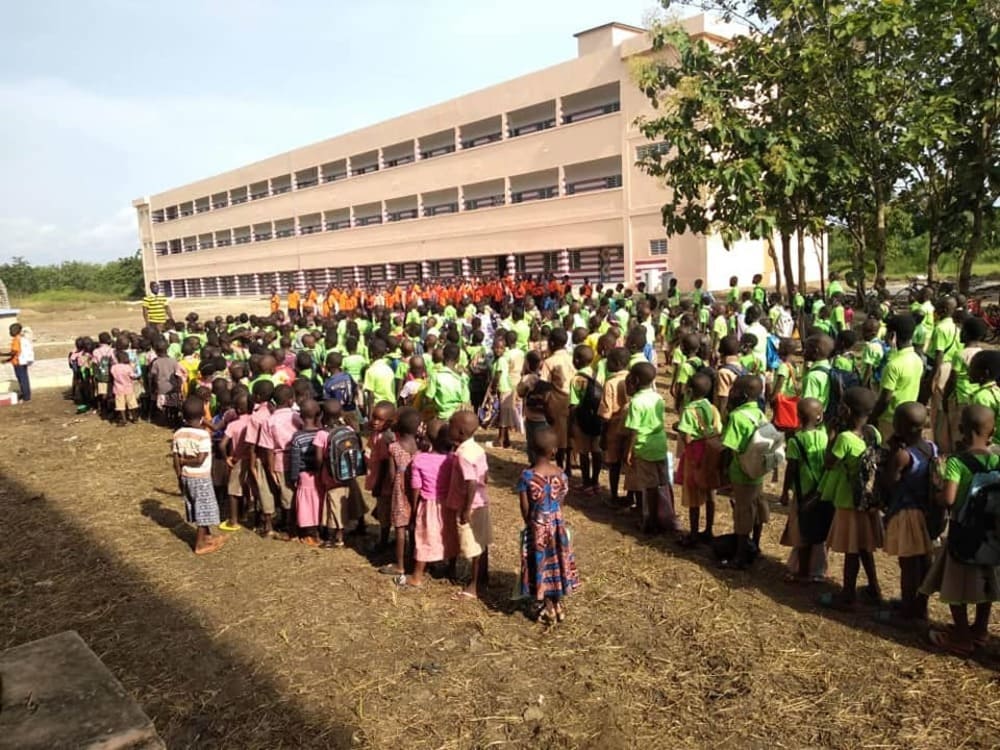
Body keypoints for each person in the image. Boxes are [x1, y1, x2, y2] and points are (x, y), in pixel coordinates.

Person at [921, 404, 998, 655]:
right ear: (993, 431)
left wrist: (937, 487)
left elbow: (949, 499)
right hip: (991, 536)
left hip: (962, 535)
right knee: (986, 581)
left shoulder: (956, 462)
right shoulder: (997, 459)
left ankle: (962, 637)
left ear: (961, 429)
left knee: (954, 586)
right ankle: (980, 630)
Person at [818, 387, 883, 611]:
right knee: (864, 547)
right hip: (868, 502)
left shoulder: (845, 438)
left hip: (848, 501)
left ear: (845, 409)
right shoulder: (873, 432)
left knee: (851, 551)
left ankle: (847, 595)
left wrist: (832, 435)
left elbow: (829, 463)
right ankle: (874, 588)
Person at [878, 402, 936, 626]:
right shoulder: (931, 447)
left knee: (908, 565)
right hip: (925, 513)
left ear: (901, 426)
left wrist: (891, 453)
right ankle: (919, 607)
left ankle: (906, 611)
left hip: (906, 513)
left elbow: (889, 482)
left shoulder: (903, 455)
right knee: (921, 563)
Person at [517, 427, 580, 624]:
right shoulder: (561, 475)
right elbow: (561, 502)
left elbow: (525, 508)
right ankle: (557, 602)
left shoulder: (527, 476)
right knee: (557, 561)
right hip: (557, 525)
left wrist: (532, 523)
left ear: (532, 450)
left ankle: (547, 605)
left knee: (540, 562)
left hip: (537, 527)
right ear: (554, 451)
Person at [398, 419, 455, 589]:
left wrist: (415, 508)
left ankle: (417, 576)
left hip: (429, 503)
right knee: (450, 535)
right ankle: (451, 568)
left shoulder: (419, 459)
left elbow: (416, 487)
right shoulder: (452, 459)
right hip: (449, 504)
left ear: (427, 438)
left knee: (424, 537)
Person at [719, 375, 768, 568]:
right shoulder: (760, 413)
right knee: (756, 508)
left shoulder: (737, 417)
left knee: (742, 513)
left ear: (743, 394)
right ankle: (754, 545)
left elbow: (730, 447)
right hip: (757, 472)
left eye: (735, 389)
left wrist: (724, 471)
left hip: (741, 472)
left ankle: (740, 556)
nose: (731, 392)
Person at [779, 398, 829, 583]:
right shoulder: (824, 436)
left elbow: (791, 469)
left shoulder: (796, 440)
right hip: (821, 492)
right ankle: (818, 571)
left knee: (803, 534)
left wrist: (785, 492)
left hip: (803, 494)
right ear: (820, 416)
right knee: (819, 532)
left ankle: (802, 573)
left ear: (797, 416)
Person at [448, 410, 493, 600]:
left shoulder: (463, 454)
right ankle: (483, 576)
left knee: (472, 546)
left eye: (450, 426)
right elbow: (485, 476)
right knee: (481, 542)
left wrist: (466, 510)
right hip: (482, 502)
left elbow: (471, 482)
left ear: (459, 432)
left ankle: (473, 587)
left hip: (471, 506)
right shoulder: (477, 449)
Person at [172, 395, 226, 555]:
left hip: (186, 477)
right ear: (202, 415)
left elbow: (174, 458)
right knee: (204, 508)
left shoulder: (178, 433)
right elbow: (200, 459)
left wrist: (179, 475)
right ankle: (200, 544)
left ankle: (207, 535)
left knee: (198, 506)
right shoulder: (203, 436)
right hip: (201, 477)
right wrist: (185, 461)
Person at [676, 372, 722, 546]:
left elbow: (687, 438)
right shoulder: (712, 407)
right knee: (710, 492)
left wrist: (680, 430)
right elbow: (718, 429)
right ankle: (709, 530)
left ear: (689, 390)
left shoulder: (689, 410)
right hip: (710, 453)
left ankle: (693, 534)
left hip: (694, 455)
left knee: (693, 495)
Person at [623, 362, 669, 533]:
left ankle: (650, 521)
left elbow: (634, 430)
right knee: (661, 483)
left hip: (644, 446)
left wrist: (629, 451)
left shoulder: (635, 402)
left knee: (649, 487)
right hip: (660, 443)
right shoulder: (657, 397)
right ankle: (664, 515)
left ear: (634, 380)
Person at [258, 384, 303, 537]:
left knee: (286, 493)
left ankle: (291, 528)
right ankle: (294, 525)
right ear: (291, 401)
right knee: (296, 491)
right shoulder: (297, 416)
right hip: (299, 458)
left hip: (280, 460)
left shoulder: (269, 422)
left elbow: (269, 448)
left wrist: (270, 469)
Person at [379, 407, 420, 577]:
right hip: (415, 493)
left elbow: (390, 475)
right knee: (413, 527)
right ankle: (413, 559)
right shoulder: (421, 448)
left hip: (399, 493)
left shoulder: (394, 448)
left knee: (400, 528)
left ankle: (400, 565)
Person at [872, 315, 925, 440]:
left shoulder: (893, 365)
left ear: (892, 335)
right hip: (909, 416)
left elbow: (885, 398)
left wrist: (872, 417)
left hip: (890, 420)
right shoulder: (917, 359)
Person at [598, 347, 630, 508]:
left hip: (613, 428)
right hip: (630, 428)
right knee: (629, 463)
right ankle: (631, 495)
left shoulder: (610, 383)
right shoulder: (633, 379)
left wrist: (603, 435)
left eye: (609, 361)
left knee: (614, 464)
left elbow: (605, 413)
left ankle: (614, 495)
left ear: (616, 363)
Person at [569, 344, 602, 494]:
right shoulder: (597, 373)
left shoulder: (577, 378)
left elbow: (573, 403)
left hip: (582, 419)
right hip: (597, 418)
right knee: (596, 451)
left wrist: (572, 423)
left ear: (576, 360)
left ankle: (586, 481)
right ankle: (596, 481)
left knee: (583, 452)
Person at [219, 392, 252, 532]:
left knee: (233, 490)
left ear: (237, 409)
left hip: (237, 460)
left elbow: (221, 444)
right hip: (252, 459)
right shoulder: (255, 421)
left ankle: (233, 520)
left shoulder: (233, 425)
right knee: (247, 488)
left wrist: (226, 457)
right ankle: (245, 514)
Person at [110, 350, 138, 424]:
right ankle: (135, 418)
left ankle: (123, 419)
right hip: (129, 388)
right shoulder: (128, 367)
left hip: (118, 389)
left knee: (120, 405)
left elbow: (112, 376)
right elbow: (133, 376)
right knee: (132, 404)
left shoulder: (114, 367)